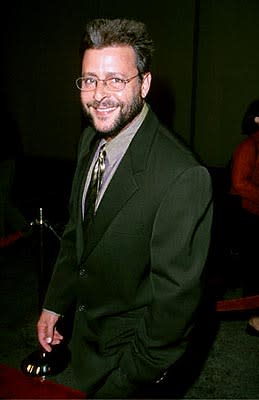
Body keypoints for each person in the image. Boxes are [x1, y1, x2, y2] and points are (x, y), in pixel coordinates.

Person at [37, 18, 213, 398]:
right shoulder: (89, 141)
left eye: (116, 80)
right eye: (89, 80)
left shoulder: (183, 175)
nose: (99, 95)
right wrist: (55, 303)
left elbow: (174, 308)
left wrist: (127, 379)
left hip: (128, 367)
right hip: (87, 346)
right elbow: (76, 235)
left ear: (144, 84)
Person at [229, 99, 259, 336]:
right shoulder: (249, 147)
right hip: (247, 214)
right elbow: (239, 183)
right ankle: (254, 319)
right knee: (254, 266)